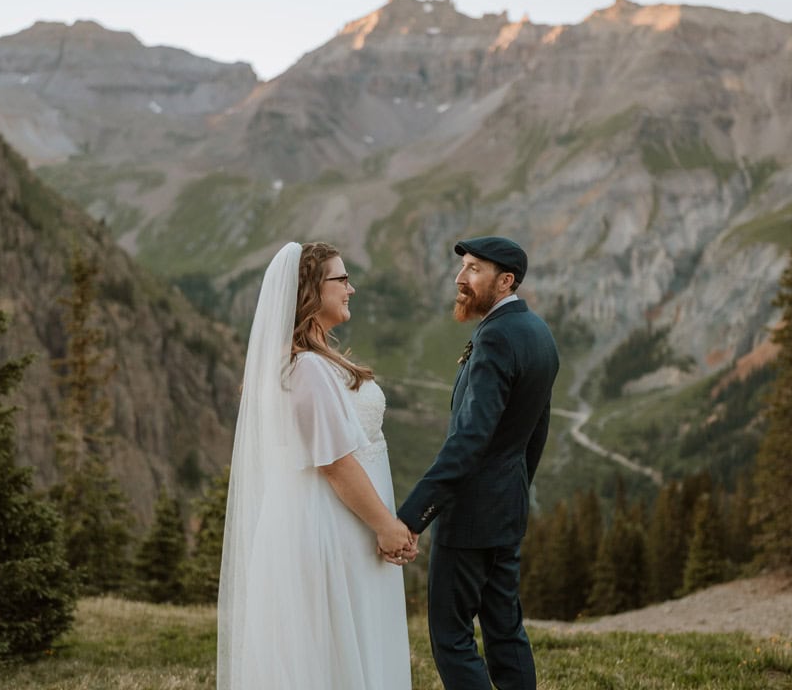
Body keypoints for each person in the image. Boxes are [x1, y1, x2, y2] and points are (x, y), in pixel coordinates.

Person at [217, 241, 414, 690]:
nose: (351, 288)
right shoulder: (305, 368)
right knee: (341, 651)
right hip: (331, 528)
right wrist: (387, 527)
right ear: (310, 290)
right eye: (341, 279)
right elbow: (336, 464)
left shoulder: (309, 362)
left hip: (336, 525)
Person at [397, 236, 559, 690]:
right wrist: (514, 488)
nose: (460, 278)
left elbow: (468, 440)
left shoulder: (495, 338)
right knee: (505, 630)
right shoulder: (539, 333)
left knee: (451, 636)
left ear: (505, 280)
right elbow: (536, 433)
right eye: (462, 267)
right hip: (507, 510)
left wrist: (413, 516)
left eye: (473, 269)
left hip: (468, 517)